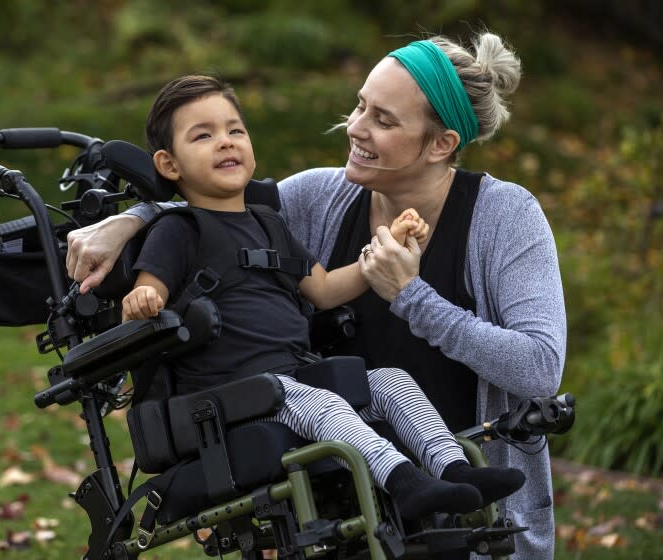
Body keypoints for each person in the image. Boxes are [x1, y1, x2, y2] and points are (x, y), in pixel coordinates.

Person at [66, 32, 566, 560]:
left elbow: (539, 369)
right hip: (342, 514)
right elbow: (212, 214)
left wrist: (412, 296)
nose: (354, 127)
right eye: (360, 105)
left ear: (441, 144)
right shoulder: (319, 197)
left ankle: (451, 469)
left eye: (384, 120)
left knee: (392, 386)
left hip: (474, 531)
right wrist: (129, 219)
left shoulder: (505, 218)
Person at [119, 74, 524, 522]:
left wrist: (386, 247)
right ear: (170, 165)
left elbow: (326, 289)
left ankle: (455, 469)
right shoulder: (178, 230)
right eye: (203, 135)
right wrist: (143, 298)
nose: (226, 143)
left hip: (293, 375)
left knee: (390, 380)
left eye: (235, 130)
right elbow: (146, 289)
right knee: (324, 402)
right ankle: (404, 483)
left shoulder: (270, 224)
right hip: (236, 394)